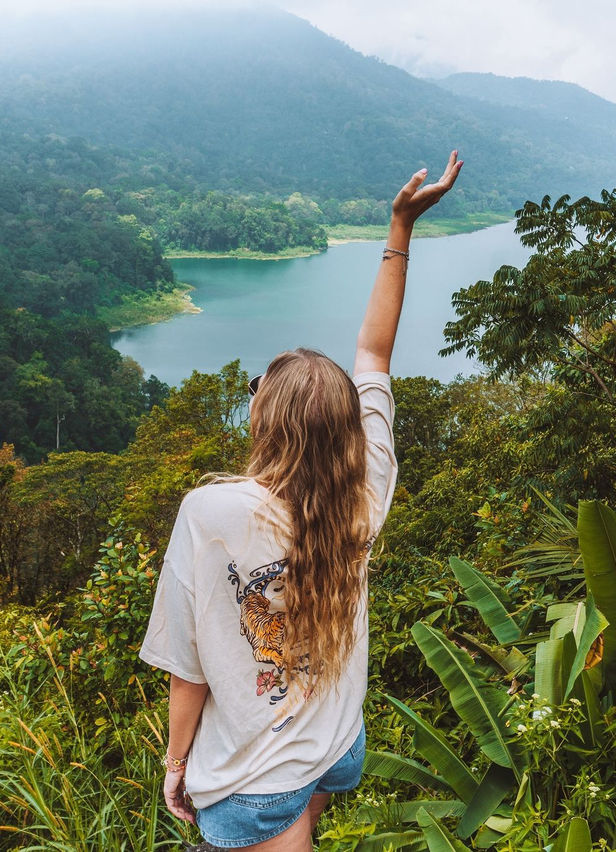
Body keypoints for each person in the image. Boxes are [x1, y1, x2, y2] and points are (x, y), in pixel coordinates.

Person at [138, 151, 463, 851]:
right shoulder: (365, 490)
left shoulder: (211, 512)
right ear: (345, 426)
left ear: (264, 421)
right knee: (302, 818)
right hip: (337, 743)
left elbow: (189, 667)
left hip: (254, 775)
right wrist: (399, 228)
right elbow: (373, 353)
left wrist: (175, 764)